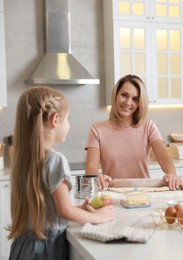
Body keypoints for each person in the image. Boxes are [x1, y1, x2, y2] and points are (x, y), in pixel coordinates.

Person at [7, 87, 115, 260]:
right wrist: (98, 217)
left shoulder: (24, 160)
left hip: (23, 248)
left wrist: (78, 209)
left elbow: (50, 209)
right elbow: (64, 210)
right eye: (68, 118)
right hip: (47, 250)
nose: (69, 124)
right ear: (55, 120)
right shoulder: (55, 160)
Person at [85, 74, 180, 190]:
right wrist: (97, 177)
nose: (128, 102)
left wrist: (172, 175)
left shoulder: (148, 127)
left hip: (144, 194)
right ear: (116, 95)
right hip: (112, 193)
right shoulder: (97, 129)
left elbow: (166, 161)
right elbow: (91, 168)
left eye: (135, 99)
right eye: (124, 95)